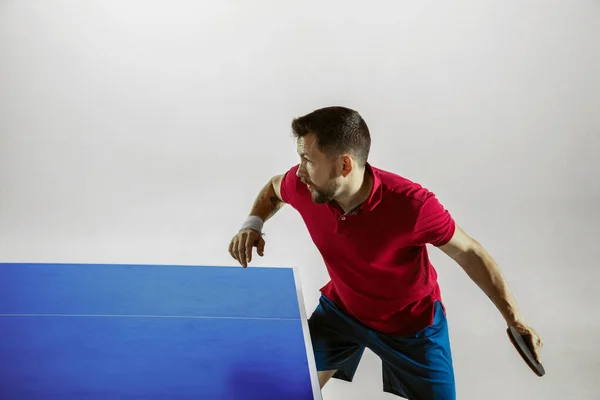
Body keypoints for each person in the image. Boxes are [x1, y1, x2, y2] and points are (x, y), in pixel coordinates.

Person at [227, 106, 543, 399]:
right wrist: (252, 224)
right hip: (342, 313)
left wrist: (515, 319)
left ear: (345, 164)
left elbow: (469, 253)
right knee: (289, 392)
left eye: (308, 160)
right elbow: (273, 189)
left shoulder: (412, 206)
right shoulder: (303, 186)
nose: (298, 171)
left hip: (412, 329)